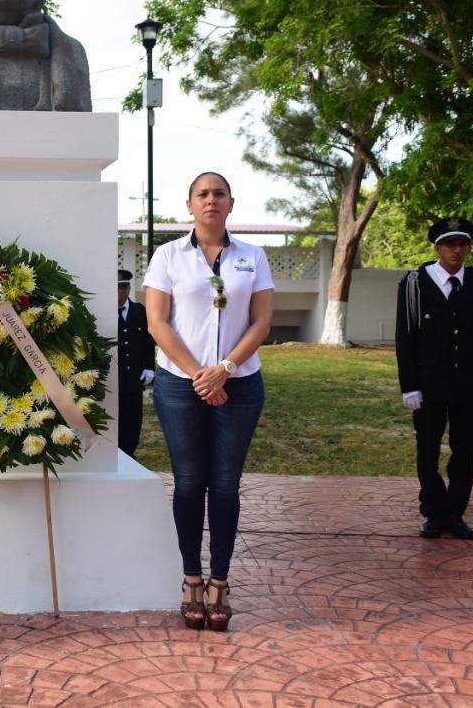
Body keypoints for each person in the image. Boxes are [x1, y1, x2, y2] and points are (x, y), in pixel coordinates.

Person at [143, 172, 274, 632]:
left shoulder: (253, 256)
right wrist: (202, 375)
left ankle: (220, 582)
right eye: (203, 194)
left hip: (239, 385)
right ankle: (190, 580)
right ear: (189, 205)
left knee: (224, 484)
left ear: (231, 204)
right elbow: (157, 323)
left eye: (219, 194)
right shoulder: (167, 256)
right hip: (181, 385)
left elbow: (261, 324)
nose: (211, 201)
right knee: (187, 483)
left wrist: (226, 369)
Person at [395, 218, 473, 540]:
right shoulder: (413, 283)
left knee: (464, 449)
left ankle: (455, 513)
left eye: (462, 244)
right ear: (437, 247)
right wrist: (409, 384)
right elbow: (405, 337)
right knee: (428, 449)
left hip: (468, 383)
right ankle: (433, 512)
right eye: (450, 244)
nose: (457, 250)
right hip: (428, 383)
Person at [116, 268, 155, 458]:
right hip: (112, 380)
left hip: (133, 379)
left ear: (129, 289)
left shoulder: (140, 312)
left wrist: (150, 367)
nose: (120, 292)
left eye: (123, 288)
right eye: (116, 288)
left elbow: (148, 343)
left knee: (132, 420)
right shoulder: (104, 313)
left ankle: (128, 454)